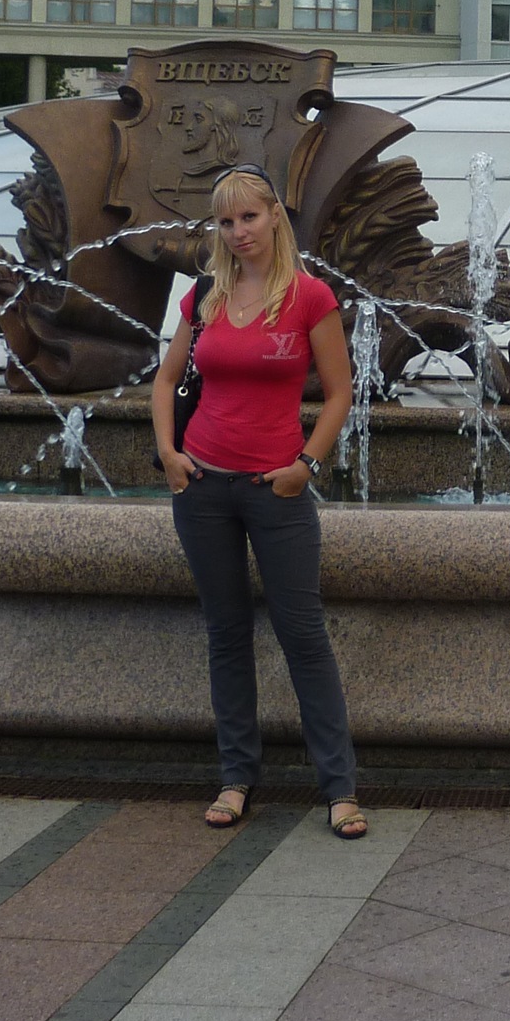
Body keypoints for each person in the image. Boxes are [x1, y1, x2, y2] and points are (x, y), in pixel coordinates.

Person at [150, 165, 366, 839]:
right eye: (225, 221)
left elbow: (340, 392)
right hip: (204, 488)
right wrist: (169, 454)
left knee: (303, 635)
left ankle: (339, 789)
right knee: (226, 634)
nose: (238, 231)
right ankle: (236, 778)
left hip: (277, 490)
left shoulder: (308, 297)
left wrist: (306, 466)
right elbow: (164, 379)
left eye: (248, 216)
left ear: (275, 216)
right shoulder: (205, 296)